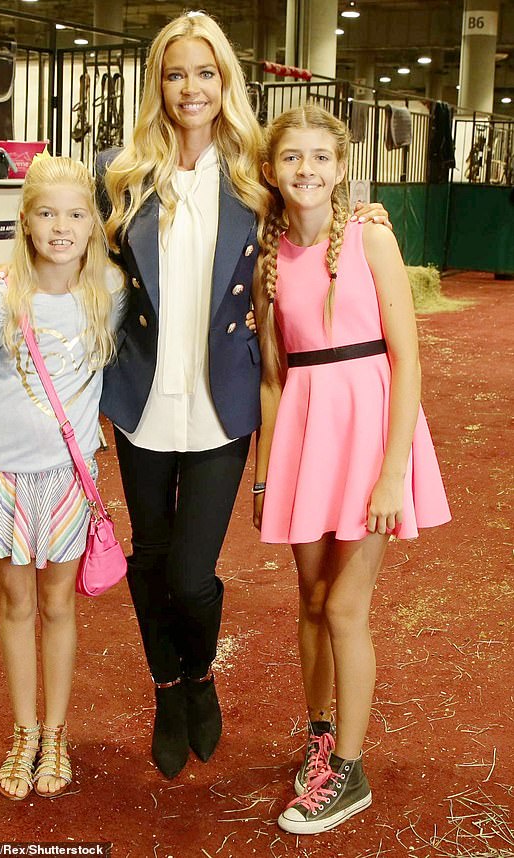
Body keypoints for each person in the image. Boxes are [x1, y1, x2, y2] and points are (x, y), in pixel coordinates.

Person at [0, 12, 390, 780]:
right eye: (175, 73)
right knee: (149, 564)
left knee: (193, 575)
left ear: (224, 80)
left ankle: (199, 670)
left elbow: (314, 197)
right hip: (140, 402)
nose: (190, 87)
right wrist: (7, 275)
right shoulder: (120, 171)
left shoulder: (255, 172)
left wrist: (362, 213)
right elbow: (61, 240)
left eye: (204, 72)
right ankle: (170, 688)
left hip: (223, 405)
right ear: (158, 85)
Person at [253, 105, 450, 834]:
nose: (307, 170)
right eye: (292, 158)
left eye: (321, 158)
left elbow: (409, 359)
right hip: (307, 441)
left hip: (371, 440)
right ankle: (319, 738)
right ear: (271, 171)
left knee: (343, 607)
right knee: (310, 602)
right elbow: (273, 380)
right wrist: (267, 476)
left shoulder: (371, 237)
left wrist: (393, 471)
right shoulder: (267, 254)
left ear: (341, 167)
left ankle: (352, 772)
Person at [0, 155, 123, 801]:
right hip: (0, 478)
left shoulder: (112, 291)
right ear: (24, 222)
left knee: (58, 604)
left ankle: (56, 732)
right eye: (46, 213)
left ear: (93, 223)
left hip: (68, 480)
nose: (60, 227)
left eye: (75, 214)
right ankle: (23, 732)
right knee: (17, 604)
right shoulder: (0, 296)